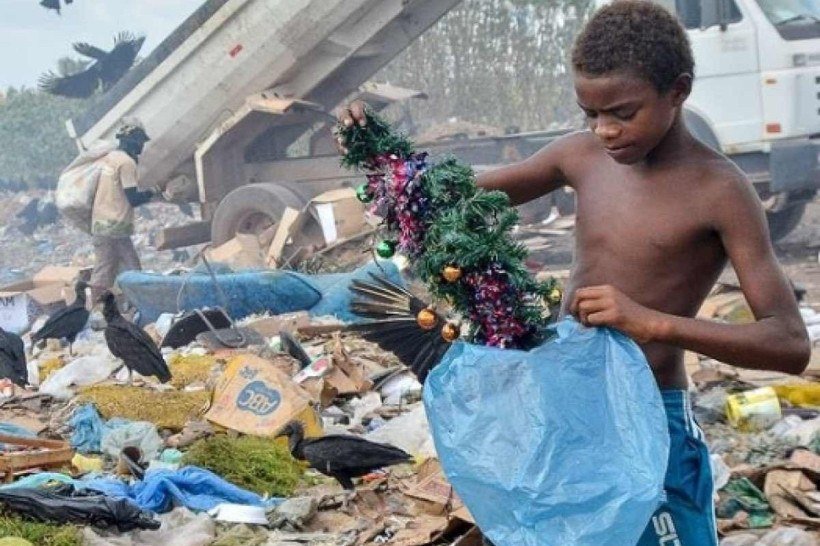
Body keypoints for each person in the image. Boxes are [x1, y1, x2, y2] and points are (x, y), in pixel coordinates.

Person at [338, 1, 810, 544]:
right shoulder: (579, 158)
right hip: (562, 413)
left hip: (649, 419)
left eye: (623, 113)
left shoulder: (720, 191)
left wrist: (651, 322)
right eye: (591, 114)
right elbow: (449, 199)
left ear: (678, 91)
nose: (605, 130)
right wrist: (378, 153)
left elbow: (788, 343)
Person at [89, 118, 160, 300]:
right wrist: (153, 192)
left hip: (99, 223)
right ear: (133, 142)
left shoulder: (110, 159)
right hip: (116, 225)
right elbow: (133, 198)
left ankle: (97, 307)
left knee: (104, 268)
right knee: (132, 267)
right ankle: (141, 302)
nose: (141, 148)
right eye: (140, 143)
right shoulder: (127, 163)